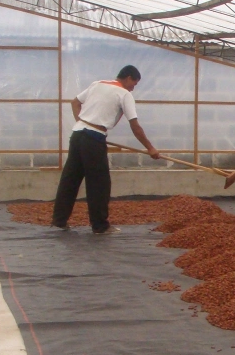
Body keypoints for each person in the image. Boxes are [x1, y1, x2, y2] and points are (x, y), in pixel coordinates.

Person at [51, 65, 161, 234]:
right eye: (134, 83)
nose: (133, 87)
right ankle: (100, 226)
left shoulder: (97, 84)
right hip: (93, 139)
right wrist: (150, 148)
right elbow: (135, 126)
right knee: (99, 184)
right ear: (128, 77)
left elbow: (75, 102)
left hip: (78, 134)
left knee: (70, 179)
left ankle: (59, 221)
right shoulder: (125, 94)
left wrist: (83, 122)